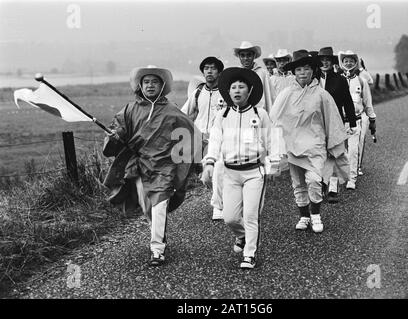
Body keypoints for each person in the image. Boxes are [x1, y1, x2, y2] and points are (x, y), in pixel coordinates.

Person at [103, 66, 201, 266]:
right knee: (147, 206)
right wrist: (116, 135)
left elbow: (193, 134)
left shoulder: (172, 111)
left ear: (162, 85)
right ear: (140, 85)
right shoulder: (130, 110)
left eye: (154, 82)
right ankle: (159, 233)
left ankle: (157, 249)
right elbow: (119, 130)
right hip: (138, 166)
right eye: (146, 82)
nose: (150, 85)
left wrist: (201, 161)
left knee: (159, 205)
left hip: (164, 168)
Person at [201, 67, 281, 269]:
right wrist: (209, 163)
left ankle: (250, 254)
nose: (237, 91)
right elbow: (215, 140)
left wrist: (274, 163)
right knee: (230, 217)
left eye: (241, 87)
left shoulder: (259, 113)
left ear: (249, 90)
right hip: (230, 174)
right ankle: (241, 235)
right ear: (228, 92)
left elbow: (272, 139)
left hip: (254, 173)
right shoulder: (223, 115)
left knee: (251, 216)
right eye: (233, 87)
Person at [270, 50, 348, 233]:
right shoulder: (286, 94)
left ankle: (315, 214)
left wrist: (333, 145)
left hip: (315, 145)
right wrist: (274, 145)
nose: (303, 73)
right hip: (292, 146)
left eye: (306, 69)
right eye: (298, 69)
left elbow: (332, 120)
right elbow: (274, 119)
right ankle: (303, 215)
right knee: (298, 183)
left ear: (313, 71)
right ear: (294, 73)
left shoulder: (322, 95)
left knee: (314, 180)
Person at [181, 56, 226, 220]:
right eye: (206, 68)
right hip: (199, 139)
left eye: (213, 68)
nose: (209, 71)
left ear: (219, 72)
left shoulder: (226, 92)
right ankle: (222, 197)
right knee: (207, 176)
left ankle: (218, 206)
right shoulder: (198, 92)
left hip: (219, 139)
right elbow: (185, 113)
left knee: (215, 170)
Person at [316, 46, 357, 203]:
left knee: (334, 154)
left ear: (332, 62)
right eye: (322, 60)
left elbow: (347, 101)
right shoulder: (314, 80)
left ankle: (333, 188)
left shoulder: (340, 79)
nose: (325, 63)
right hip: (317, 123)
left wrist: (352, 123)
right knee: (319, 154)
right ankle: (321, 182)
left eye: (328, 60)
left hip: (336, 122)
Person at [338, 50, 377, 189]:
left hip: (356, 120)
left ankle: (351, 178)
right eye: (345, 61)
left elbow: (367, 102)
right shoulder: (337, 79)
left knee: (353, 150)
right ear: (341, 63)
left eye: (351, 61)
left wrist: (372, 118)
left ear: (356, 63)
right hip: (339, 121)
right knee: (340, 151)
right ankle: (338, 178)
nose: (348, 63)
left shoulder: (362, 80)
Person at [234, 41, 275, 113]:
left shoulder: (262, 73)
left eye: (249, 55)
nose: (246, 58)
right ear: (239, 57)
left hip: (259, 112)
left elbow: (269, 96)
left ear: (254, 56)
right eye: (242, 55)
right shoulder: (236, 73)